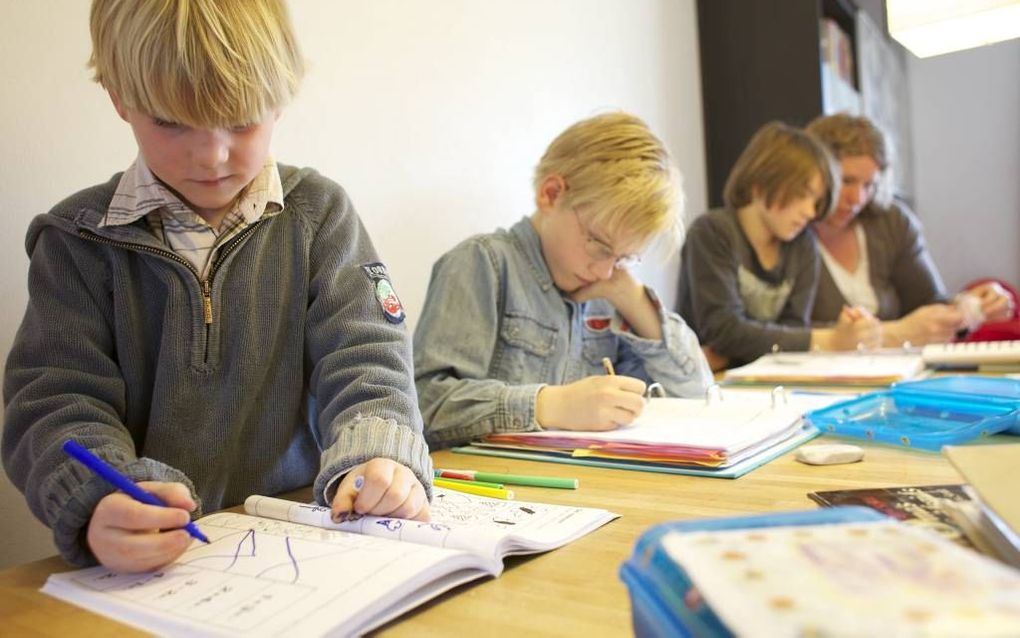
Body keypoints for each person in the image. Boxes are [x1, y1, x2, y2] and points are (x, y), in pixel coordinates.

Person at [2, 0, 431, 573]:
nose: (212, 156)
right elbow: (54, 401)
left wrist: (381, 457)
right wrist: (96, 498)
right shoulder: (77, 240)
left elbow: (366, 359)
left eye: (242, 120)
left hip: (305, 549)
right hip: (150, 566)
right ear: (120, 101)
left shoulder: (318, 215)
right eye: (171, 122)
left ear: (280, 99)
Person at [414, 112, 712, 448]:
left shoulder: (607, 288)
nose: (605, 271)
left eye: (624, 258)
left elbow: (697, 393)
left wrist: (634, 299)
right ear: (551, 194)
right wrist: (549, 406)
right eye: (599, 246)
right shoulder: (483, 264)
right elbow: (425, 405)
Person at [676, 121, 881, 371]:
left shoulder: (804, 244)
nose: (810, 212)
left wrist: (733, 354)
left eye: (816, 201)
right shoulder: (711, 232)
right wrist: (831, 340)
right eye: (802, 193)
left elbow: (793, 330)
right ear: (762, 182)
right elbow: (723, 330)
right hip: (705, 383)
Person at [806, 113, 1013, 345]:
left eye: (869, 185)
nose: (857, 198)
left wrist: (969, 306)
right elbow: (782, 330)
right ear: (815, 172)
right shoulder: (793, 230)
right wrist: (895, 333)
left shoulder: (891, 221)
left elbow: (929, 303)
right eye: (846, 181)